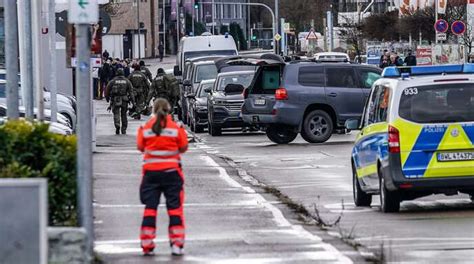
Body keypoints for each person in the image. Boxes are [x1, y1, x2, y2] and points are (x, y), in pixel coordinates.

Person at [136, 98, 188, 256]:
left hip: (151, 175)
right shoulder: (175, 127)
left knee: (150, 209)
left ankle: (147, 244)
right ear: (168, 110)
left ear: (153, 110)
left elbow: (140, 146)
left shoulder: (146, 128)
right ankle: (177, 244)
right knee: (175, 210)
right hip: (172, 174)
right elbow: (183, 147)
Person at [105, 68, 134, 135]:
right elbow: (131, 92)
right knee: (124, 115)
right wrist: (133, 102)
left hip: (115, 100)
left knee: (116, 114)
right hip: (124, 100)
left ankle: (117, 125)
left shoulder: (113, 81)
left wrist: (107, 98)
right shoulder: (127, 81)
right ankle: (123, 129)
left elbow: (107, 90)